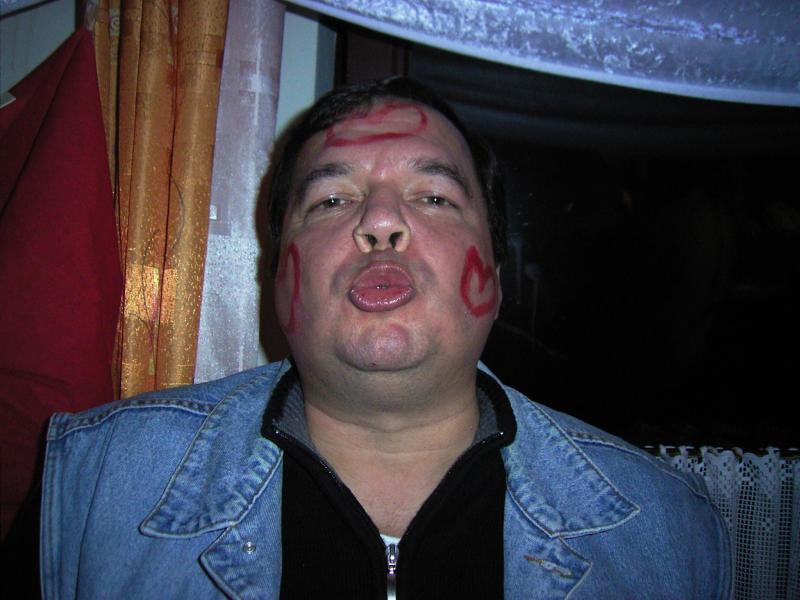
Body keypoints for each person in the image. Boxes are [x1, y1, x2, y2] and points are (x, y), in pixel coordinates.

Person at [39, 78, 731, 599]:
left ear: (494, 279)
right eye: (331, 200)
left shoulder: (666, 533)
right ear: (277, 278)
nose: (379, 222)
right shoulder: (92, 487)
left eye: (433, 197)